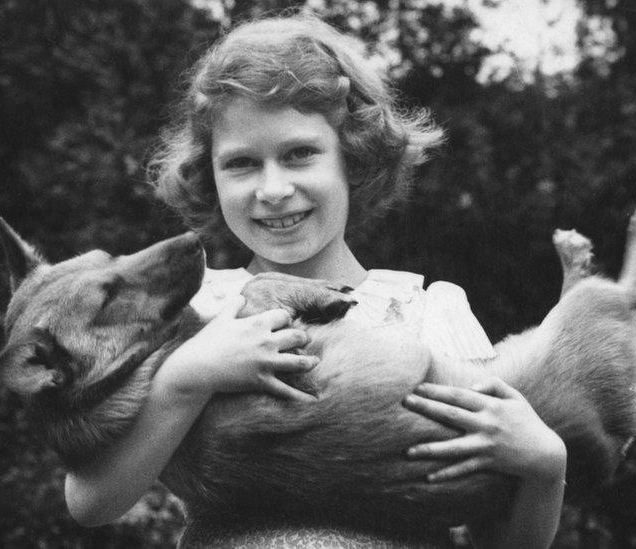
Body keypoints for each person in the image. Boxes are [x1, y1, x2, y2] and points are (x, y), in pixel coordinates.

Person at [65, 14, 566, 548]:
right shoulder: (197, 309)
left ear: (353, 157)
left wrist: (545, 467)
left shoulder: (426, 313)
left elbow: (497, 536)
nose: (274, 188)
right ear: (209, 175)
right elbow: (92, 502)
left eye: (300, 153)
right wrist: (185, 378)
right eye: (241, 163)